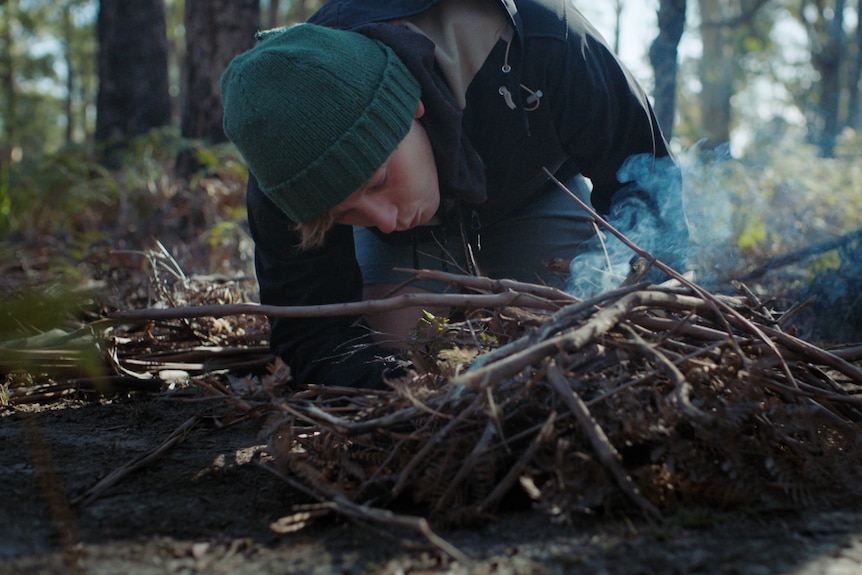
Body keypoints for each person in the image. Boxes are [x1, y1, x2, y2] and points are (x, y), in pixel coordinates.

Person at [219, 0, 690, 389]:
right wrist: (383, 382)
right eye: (346, 211)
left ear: (412, 106)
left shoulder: (544, 38)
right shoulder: (285, 165)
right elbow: (309, 330)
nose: (382, 219)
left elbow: (646, 183)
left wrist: (655, 299)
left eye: (379, 180)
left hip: (533, 188)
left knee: (559, 330)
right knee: (399, 343)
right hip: (417, 240)